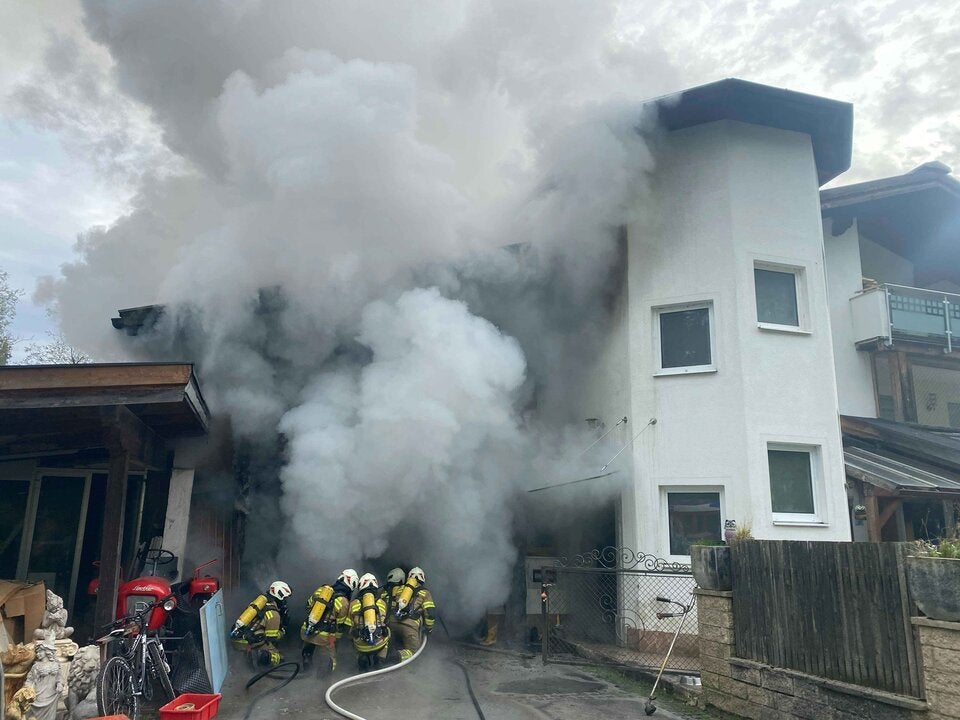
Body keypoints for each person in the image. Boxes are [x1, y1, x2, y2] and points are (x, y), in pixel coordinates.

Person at [300, 569, 358, 674]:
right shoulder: (343, 601)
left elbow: (308, 606)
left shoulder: (321, 590)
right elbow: (340, 624)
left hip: (307, 629)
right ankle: (323, 674)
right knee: (330, 658)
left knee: (309, 645)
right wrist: (336, 640)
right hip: (326, 636)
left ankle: (307, 659)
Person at [229, 580, 292, 667]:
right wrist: (282, 631)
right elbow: (272, 638)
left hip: (238, 637)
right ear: (279, 596)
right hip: (248, 643)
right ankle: (257, 655)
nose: (285, 601)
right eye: (285, 598)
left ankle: (250, 655)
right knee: (278, 658)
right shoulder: (274, 614)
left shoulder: (260, 603)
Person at [345, 573, 390, 671]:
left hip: (360, 645)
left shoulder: (353, 604)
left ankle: (362, 659)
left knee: (352, 632)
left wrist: (352, 638)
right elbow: (385, 621)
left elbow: (348, 625)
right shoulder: (382, 602)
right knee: (388, 631)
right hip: (379, 642)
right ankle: (379, 659)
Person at [389, 566, 435, 661]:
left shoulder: (400, 588)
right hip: (410, 625)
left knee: (389, 641)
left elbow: (391, 604)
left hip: (392, 622)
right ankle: (393, 658)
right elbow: (430, 612)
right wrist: (429, 628)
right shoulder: (425, 592)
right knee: (413, 652)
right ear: (422, 578)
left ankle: (385, 654)